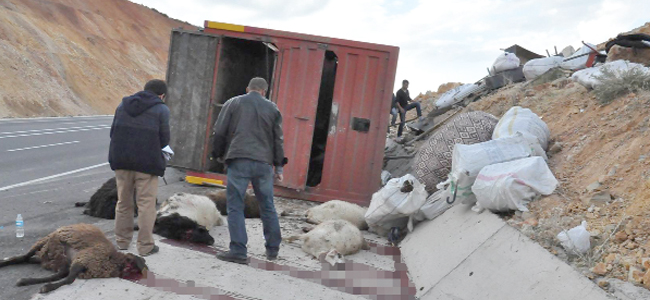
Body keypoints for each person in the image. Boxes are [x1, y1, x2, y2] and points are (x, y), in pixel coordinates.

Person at [211, 77, 286, 265]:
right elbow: (278, 139)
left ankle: (238, 251)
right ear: (264, 91)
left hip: (239, 159)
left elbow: (219, 131)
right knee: (267, 205)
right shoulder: (273, 108)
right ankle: (272, 249)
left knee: (235, 205)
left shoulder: (233, 103)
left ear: (247, 88)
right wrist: (279, 167)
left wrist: (218, 155)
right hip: (263, 163)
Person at [108, 79, 170, 257]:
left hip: (121, 161)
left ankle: (122, 242)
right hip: (147, 164)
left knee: (123, 202)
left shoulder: (123, 105)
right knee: (146, 205)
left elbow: (113, 132)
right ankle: (145, 246)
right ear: (162, 95)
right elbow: (164, 140)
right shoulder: (161, 109)